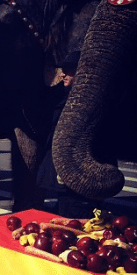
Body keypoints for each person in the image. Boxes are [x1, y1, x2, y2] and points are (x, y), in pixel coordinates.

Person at [37, 50, 98, 218]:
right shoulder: (61, 96)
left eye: (68, 70)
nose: (62, 74)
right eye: (62, 69)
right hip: (62, 174)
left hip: (78, 173)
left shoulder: (87, 100)